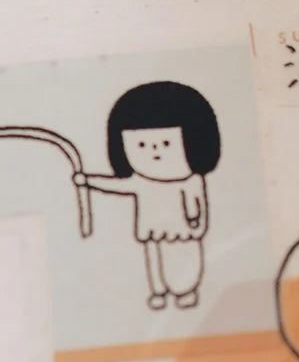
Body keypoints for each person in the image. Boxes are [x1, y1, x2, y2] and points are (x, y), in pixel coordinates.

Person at [75, 81, 221, 309]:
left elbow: (197, 204)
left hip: (183, 233)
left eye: (166, 143)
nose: (154, 150)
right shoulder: (141, 182)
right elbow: (117, 185)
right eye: (141, 144)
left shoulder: (191, 181)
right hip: (153, 231)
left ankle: (185, 290)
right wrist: (88, 181)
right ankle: (158, 290)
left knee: (184, 260)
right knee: (154, 261)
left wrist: (195, 221)